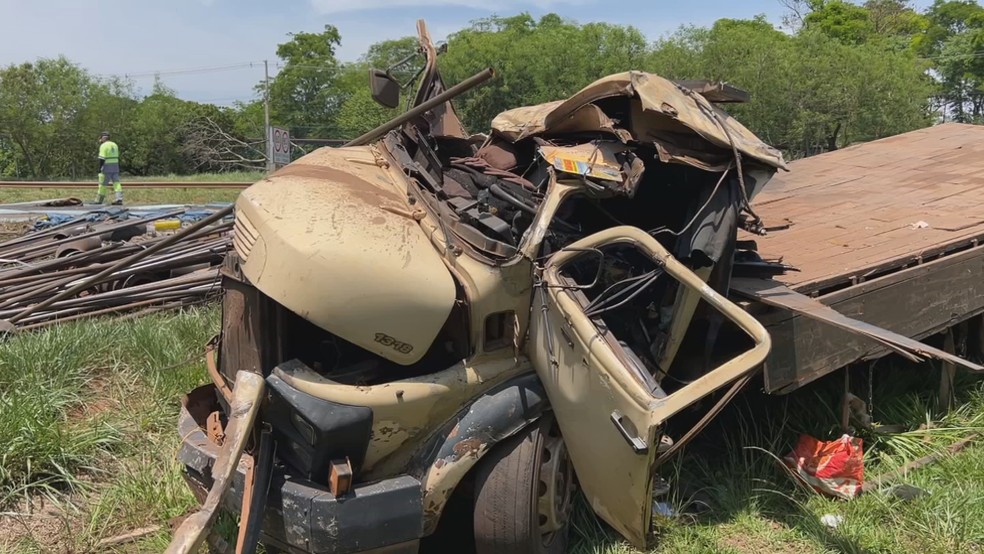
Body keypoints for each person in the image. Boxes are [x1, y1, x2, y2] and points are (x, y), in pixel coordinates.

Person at [96, 131, 123, 205]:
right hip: (115, 166)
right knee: (116, 183)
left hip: (107, 167)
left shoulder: (103, 146)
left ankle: (99, 200)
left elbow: (102, 158)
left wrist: (100, 168)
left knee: (103, 184)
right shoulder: (114, 145)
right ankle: (119, 198)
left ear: (103, 138)